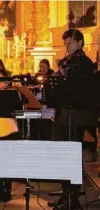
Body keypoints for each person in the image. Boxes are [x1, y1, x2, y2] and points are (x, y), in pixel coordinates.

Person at [50, 29, 98, 210]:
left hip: (76, 117)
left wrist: (65, 73)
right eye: (65, 44)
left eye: (70, 43)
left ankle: (73, 196)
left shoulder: (84, 63)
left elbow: (82, 84)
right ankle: (65, 192)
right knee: (61, 155)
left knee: (72, 155)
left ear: (80, 43)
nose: (67, 48)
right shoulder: (68, 63)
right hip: (64, 115)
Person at [0, 69, 22, 203]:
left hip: (8, 130)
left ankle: (6, 190)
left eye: (0, 79)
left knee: (6, 162)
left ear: (7, 80)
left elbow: (15, 109)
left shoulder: (12, 93)